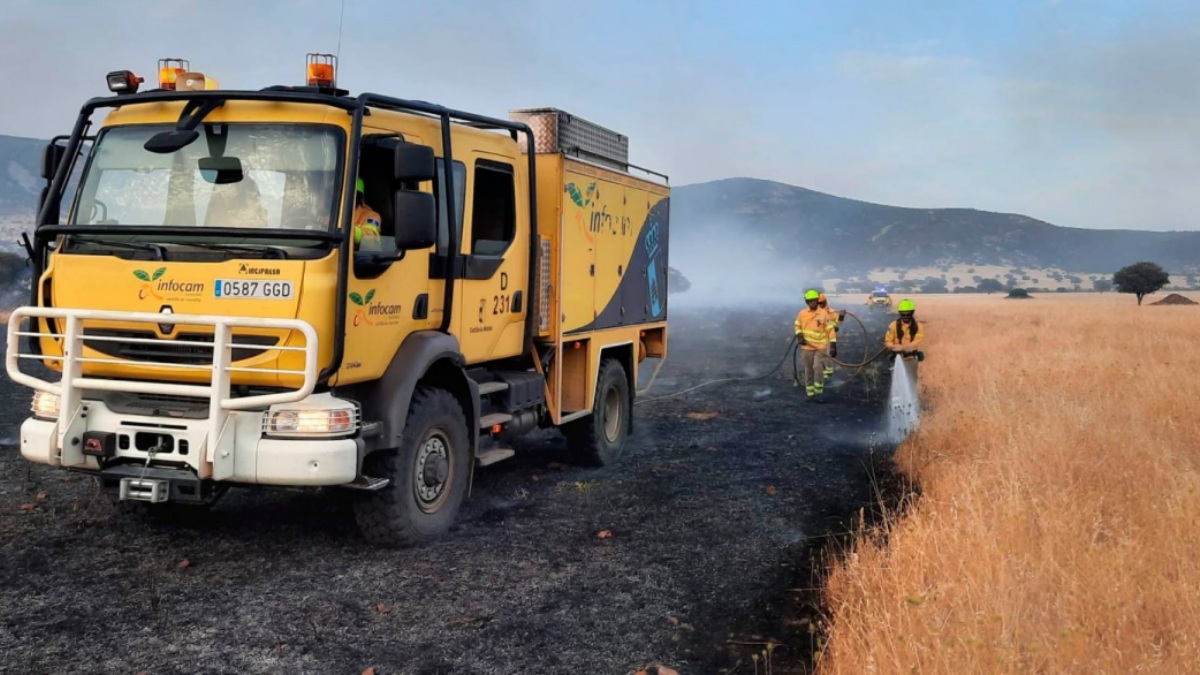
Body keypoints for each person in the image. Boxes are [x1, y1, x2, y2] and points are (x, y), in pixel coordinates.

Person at [794, 289, 836, 401]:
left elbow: (830, 329)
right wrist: (799, 335)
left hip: (820, 346)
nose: (812, 303)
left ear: (817, 301)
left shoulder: (823, 313)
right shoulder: (802, 313)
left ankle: (819, 393)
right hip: (807, 347)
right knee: (808, 370)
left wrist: (833, 345)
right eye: (810, 301)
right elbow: (797, 325)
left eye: (814, 301)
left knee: (818, 368)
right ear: (807, 302)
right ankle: (810, 393)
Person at [817, 292, 846, 378]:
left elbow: (837, 321)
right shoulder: (813, 312)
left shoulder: (831, 311)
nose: (821, 304)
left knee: (828, 354)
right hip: (817, 337)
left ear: (825, 302)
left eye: (822, 302)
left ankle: (828, 371)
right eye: (819, 303)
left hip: (829, 336)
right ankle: (822, 371)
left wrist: (841, 316)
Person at [353, 177, 382, 251]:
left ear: (359, 198)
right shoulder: (331, 213)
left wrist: (346, 231)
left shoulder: (372, 216)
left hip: (361, 258)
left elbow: (371, 238)